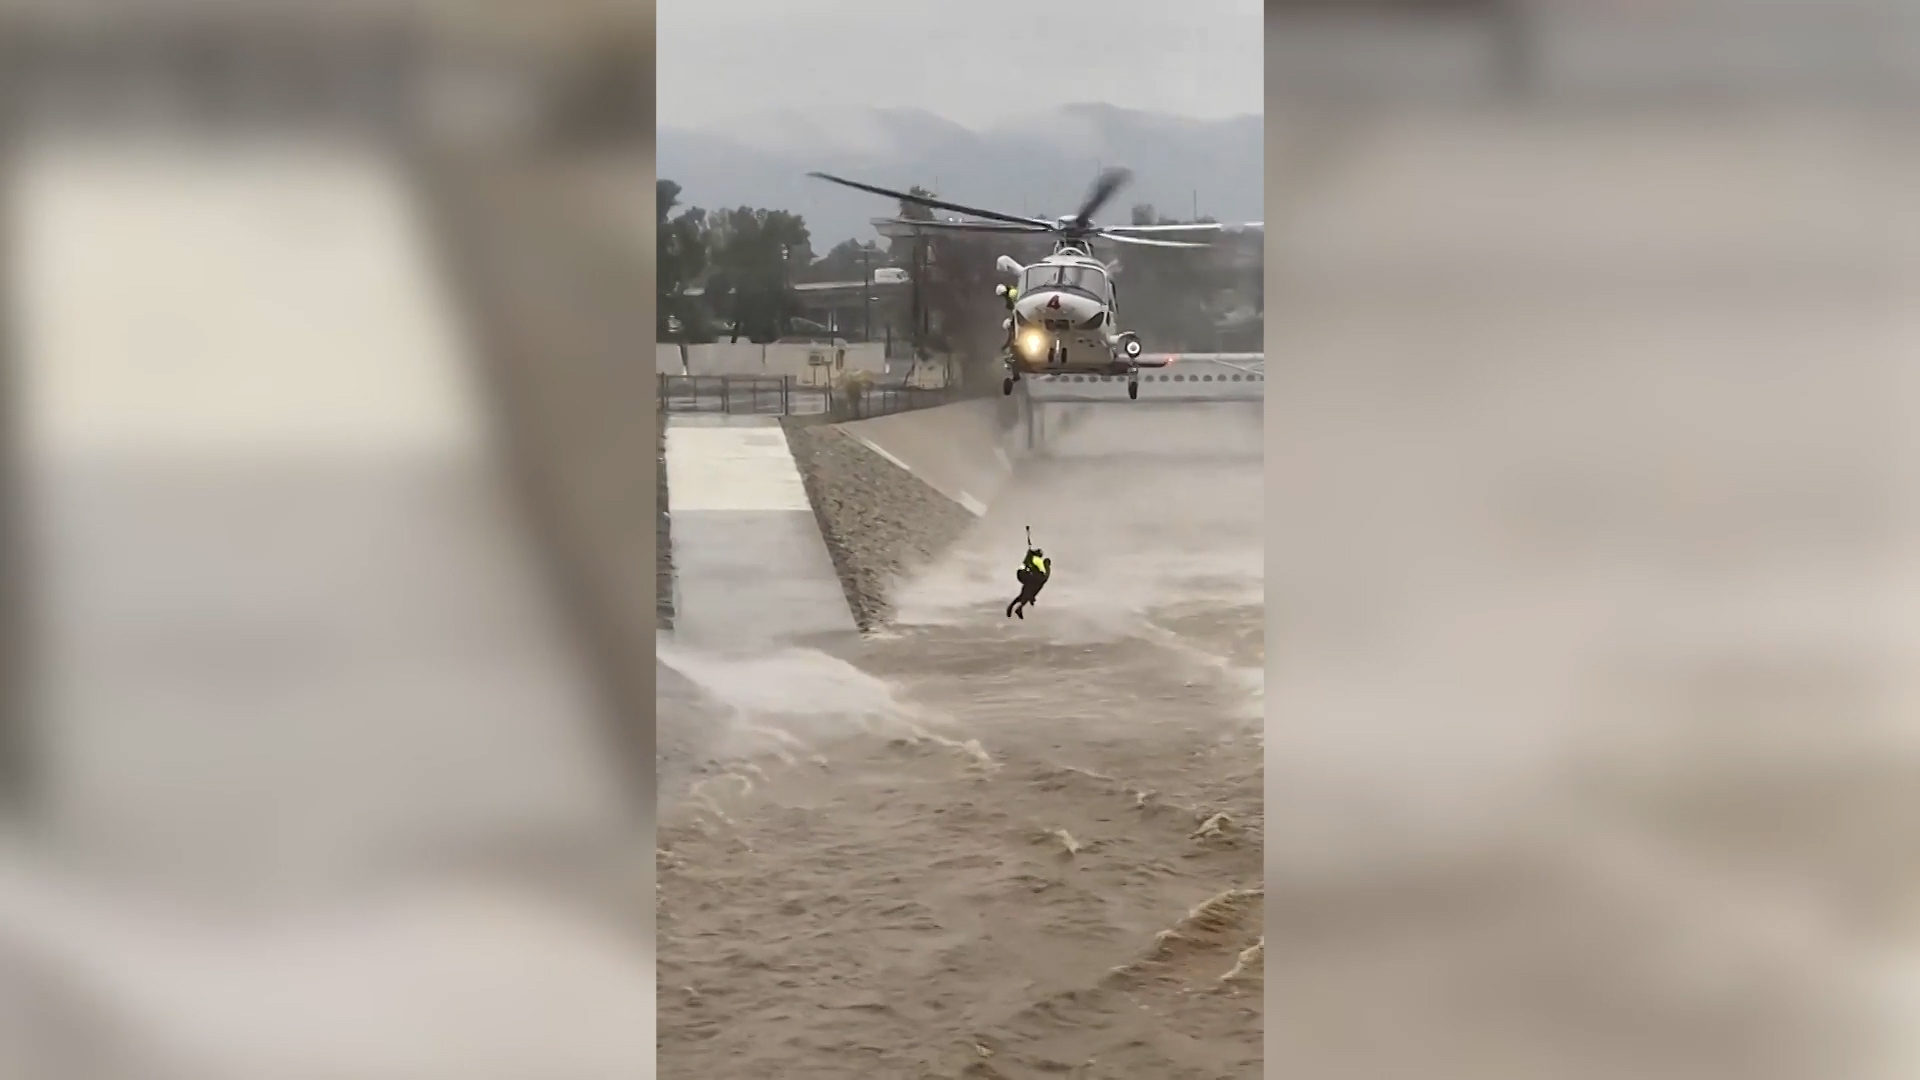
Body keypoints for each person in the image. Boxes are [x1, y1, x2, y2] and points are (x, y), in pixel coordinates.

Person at [1006, 541, 1051, 620]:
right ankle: (1016, 607)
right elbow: (1042, 577)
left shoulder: (1031, 557)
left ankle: (1015, 607)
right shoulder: (1039, 562)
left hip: (1024, 575)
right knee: (1026, 594)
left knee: (1024, 595)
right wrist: (1033, 596)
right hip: (1028, 577)